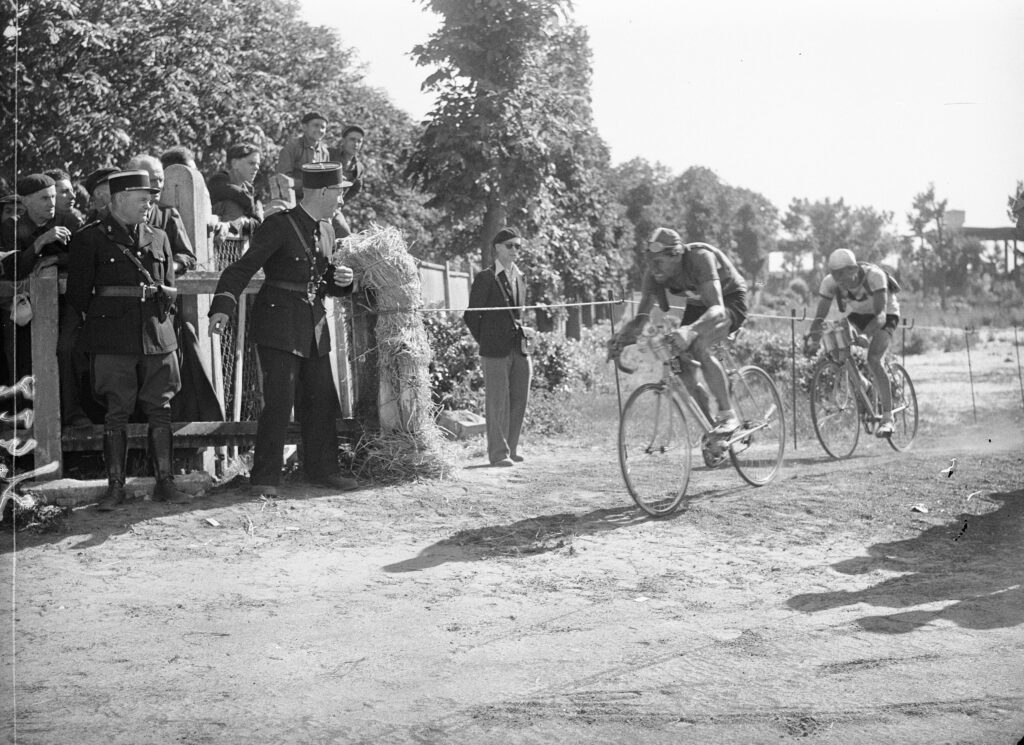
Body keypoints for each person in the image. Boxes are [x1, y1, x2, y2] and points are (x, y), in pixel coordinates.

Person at [208, 162, 359, 496]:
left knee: (321, 400)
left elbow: (322, 283)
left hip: (313, 325)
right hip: (278, 324)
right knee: (279, 402)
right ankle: (264, 478)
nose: (341, 201)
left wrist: (342, 282)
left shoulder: (329, 229)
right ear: (322, 191)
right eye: (338, 193)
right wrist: (222, 306)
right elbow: (240, 269)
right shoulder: (279, 225)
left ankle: (323, 471)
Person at [66, 170, 191, 509]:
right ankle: (115, 488)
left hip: (155, 334)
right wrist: (112, 316)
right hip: (112, 338)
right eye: (142, 199)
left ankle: (166, 483)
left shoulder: (159, 237)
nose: (149, 205)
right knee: (116, 412)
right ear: (119, 199)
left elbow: (166, 285)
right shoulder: (89, 238)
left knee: (161, 409)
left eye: (151, 199)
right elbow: (79, 295)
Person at [608, 227, 749, 437]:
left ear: (676, 254)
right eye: (649, 261)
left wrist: (690, 330)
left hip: (728, 300)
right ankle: (714, 431)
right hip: (698, 303)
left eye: (658, 262)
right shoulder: (654, 274)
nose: (653, 268)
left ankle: (728, 417)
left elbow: (717, 310)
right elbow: (639, 322)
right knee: (680, 363)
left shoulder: (700, 257)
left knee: (699, 345)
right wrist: (620, 339)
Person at [807, 248, 901, 437]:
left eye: (843, 274)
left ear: (853, 269)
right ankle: (863, 384)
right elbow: (820, 317)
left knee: (874, 360)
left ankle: (888, 418)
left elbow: (880, 316)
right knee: (836, 343)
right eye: (835, 274)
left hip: (885, 314)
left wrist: (866, 335)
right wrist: (813, 340)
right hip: (859, 315)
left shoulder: (874, 276)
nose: (840, 280)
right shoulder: (830, 283)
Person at [463, 227, 534, 467]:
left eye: (518, 246)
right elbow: (471, 316)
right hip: (494, 350)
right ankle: (498, 453)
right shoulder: (486, 277)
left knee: (519, 399)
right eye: (510, 246)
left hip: (520, 348)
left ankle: (511, 448)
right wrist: (487, 340)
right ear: (497, 248)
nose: (515, 250)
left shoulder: (521, 276)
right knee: (497, 402)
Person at [125, 154, 197, 274]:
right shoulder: (117, 214)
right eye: (152, 180)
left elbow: (188, 256)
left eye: (161, 180)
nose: (158, 185)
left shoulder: (168, 215)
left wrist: (169, 268)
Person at [207, 142, 264, 237]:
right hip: (214, 239)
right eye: (251, 163)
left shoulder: (249, 188)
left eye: (258, 164)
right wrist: (251, 202)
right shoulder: (219, 180)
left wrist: (244, 221)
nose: (256, 168)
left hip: (239, 245)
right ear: (234, 163)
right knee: (232, 205)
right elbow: (239, 196)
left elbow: (259, 223)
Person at [275, 112, 330, 198]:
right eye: (316, 125)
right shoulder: (292, 148)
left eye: (323, 127)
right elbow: (282, 179)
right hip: (292, 199)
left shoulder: (325, 153)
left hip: (315, 201)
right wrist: (309, 185)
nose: (320, 130)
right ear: (304, 127)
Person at [329, 124, 366, 238]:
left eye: (359, 141)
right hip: (316, 202)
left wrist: (341, 201)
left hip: (334, 208)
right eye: (352, 139)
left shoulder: (359, 167)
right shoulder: (329, 154)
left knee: (345, 237)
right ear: (343, 140)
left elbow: (356, 189)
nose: (356, 144)